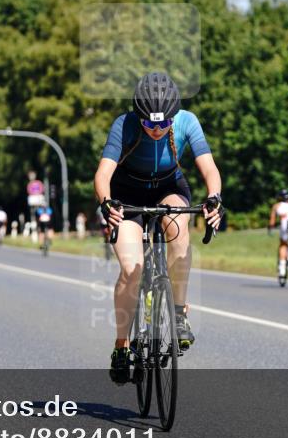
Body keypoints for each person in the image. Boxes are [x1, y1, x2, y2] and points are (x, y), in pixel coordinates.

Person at [93, 71, 223, 385]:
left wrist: (214, 199)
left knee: (179, 225)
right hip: (127, 195)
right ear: (139, 118)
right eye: (150, 124)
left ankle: (178, 313)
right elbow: (102, 175)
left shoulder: (188, 121)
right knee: (132, 268)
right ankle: (122, 346)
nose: (157, 129)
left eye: (164, 124)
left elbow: (209, 168)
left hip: (169, 187)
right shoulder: (124, 125)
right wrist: (108, 202)